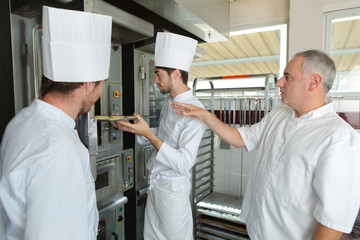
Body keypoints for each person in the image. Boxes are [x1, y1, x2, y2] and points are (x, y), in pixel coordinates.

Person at [171, 50, 360, 240]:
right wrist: (205, 115)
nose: (279, 83)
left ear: (313, 82)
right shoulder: (280, 114)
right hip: (258, 232)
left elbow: (332, 223)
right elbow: (240, 138)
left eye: (288, 77)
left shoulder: (339, 138)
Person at [0, 6, 112, 240]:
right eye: (102, 83)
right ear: (88, 84)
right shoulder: (60, 154)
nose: (101, 91)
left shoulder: (21, 121)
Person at [112, 32, 206, 240]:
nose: (155, 80)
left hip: (172, 194)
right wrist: (133, 128)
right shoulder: (169, 102)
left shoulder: (196, 112)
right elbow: (166, 137)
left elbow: (183, 163)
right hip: (157, 186)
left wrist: (148, 134)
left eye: (158, 74)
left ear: (176, 75)